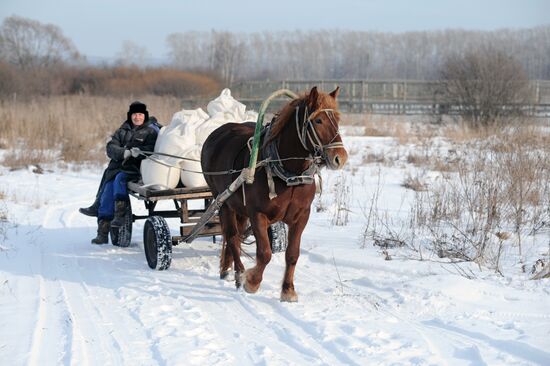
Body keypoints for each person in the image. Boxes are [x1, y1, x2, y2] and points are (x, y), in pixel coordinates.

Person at [80, 101, 160, 244]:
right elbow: (111, 147)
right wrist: (125, 152)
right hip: (119, 166)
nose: (137, 117)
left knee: (119, 179)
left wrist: (140, 152)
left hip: (137, 169)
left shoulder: (151, 130)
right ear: (130, 116)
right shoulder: (122, 130)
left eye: (140, 114)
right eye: (135, 114)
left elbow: (154, 147)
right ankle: (102, 232)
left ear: (145, 115)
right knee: (108, 190)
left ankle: (120, 214)